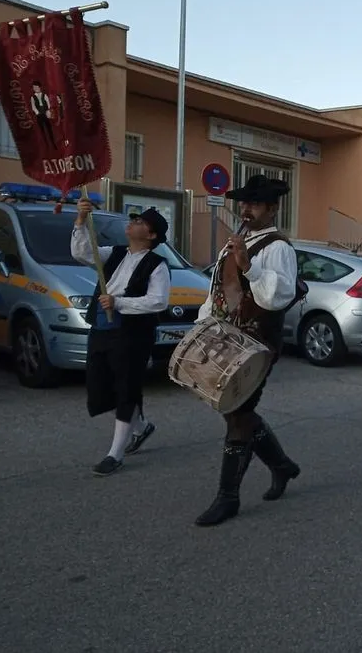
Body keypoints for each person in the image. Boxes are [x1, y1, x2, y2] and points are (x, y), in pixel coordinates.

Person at [194, 174, 301, 527]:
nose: (246, 209)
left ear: (272, 208)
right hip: (229, 338)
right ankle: (282, 466)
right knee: (235, 411)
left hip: (258, 343)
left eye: (254, 203)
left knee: (239, 415)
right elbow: (219, 291)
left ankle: (228, 497)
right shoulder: (237, 241)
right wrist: (204, 325)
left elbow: (277, 297)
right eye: (244, 203)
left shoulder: (278, 247)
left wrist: (249, 267)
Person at [71, 199, 171, 476]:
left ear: (151, 235)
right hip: (102, 328)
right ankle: (141, 427)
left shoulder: (157, 265)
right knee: (100, 385)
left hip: (132, 333)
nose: (133, 223)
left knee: (127, 387)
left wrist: (120, 303)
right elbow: (82, 253)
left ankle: (115, 454)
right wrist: (80, 221)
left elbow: (158, 301)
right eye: (134, 220)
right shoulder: (114, 253)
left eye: (140, 222)